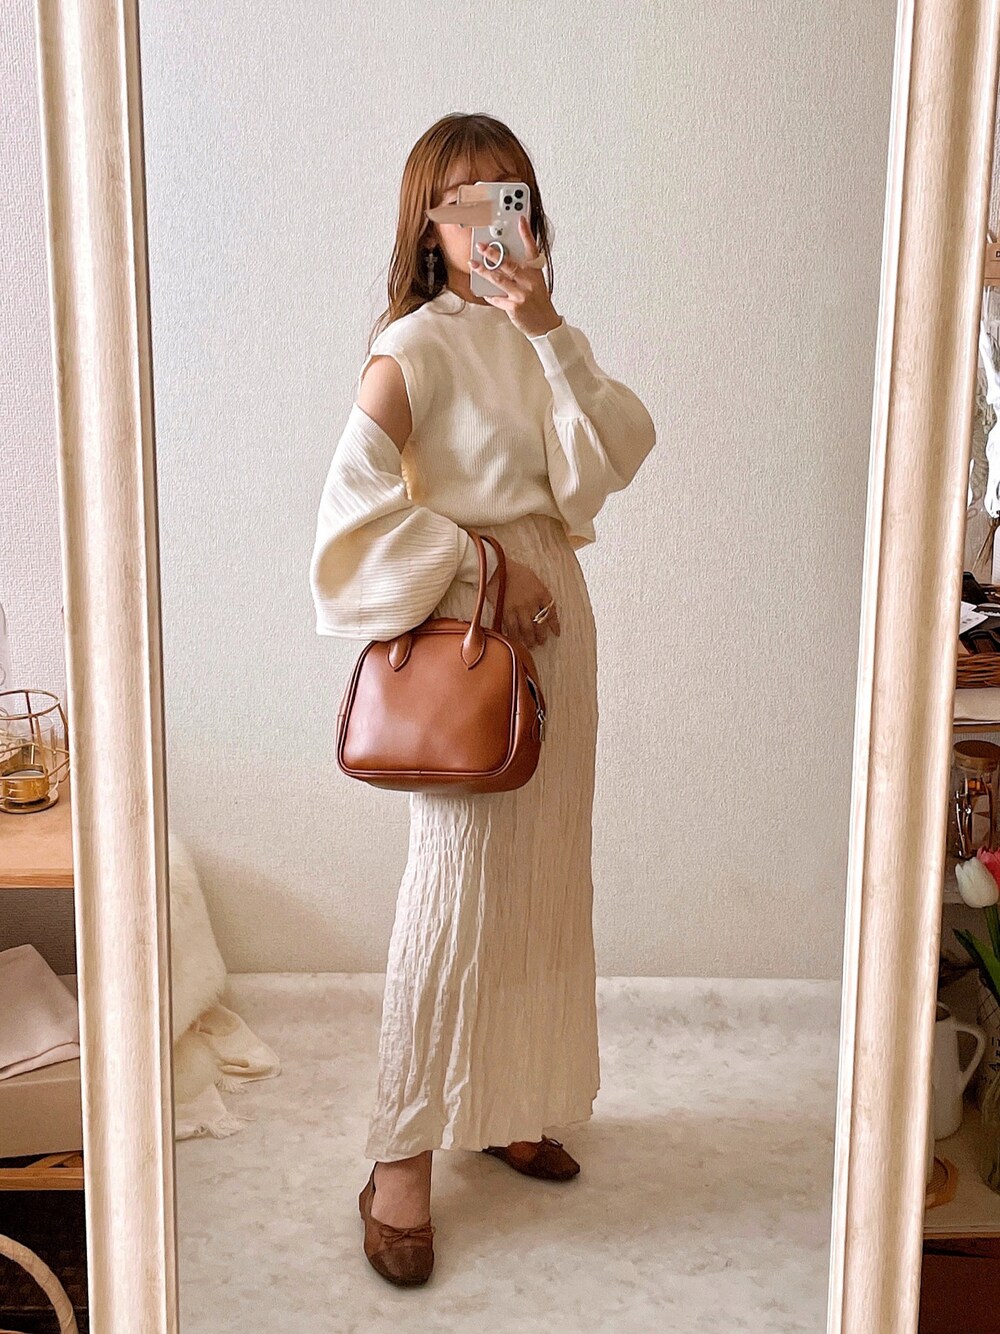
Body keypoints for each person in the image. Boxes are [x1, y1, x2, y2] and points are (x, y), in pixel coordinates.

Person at [309, 112, 656, 1286]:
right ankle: (398, 1154)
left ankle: (505, 1100)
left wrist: (545, 323)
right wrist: (482, 573)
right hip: (476, 623)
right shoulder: (408, 350)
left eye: (507, 195)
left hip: (563, 627)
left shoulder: (539, 336)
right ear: (427, 225)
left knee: (541, 879)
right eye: (460, 203)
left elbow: (610, 454)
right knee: (455, 893)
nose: (487, 222)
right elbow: (348, 516)